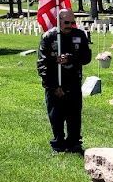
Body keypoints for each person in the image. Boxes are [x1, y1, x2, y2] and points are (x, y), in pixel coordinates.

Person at [37, 9, 92, 154]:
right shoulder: (49, 37)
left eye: (72, 22)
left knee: (74, 114)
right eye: (66, 22)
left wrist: (71, 58)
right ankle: (58, 143)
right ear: (58, 21)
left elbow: (86, 57)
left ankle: (74, 143)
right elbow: (42, 64)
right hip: (54, 83)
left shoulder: (79, 35)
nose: (70, 25)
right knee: (56, 115)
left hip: (73, 81)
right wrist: (53, 86)